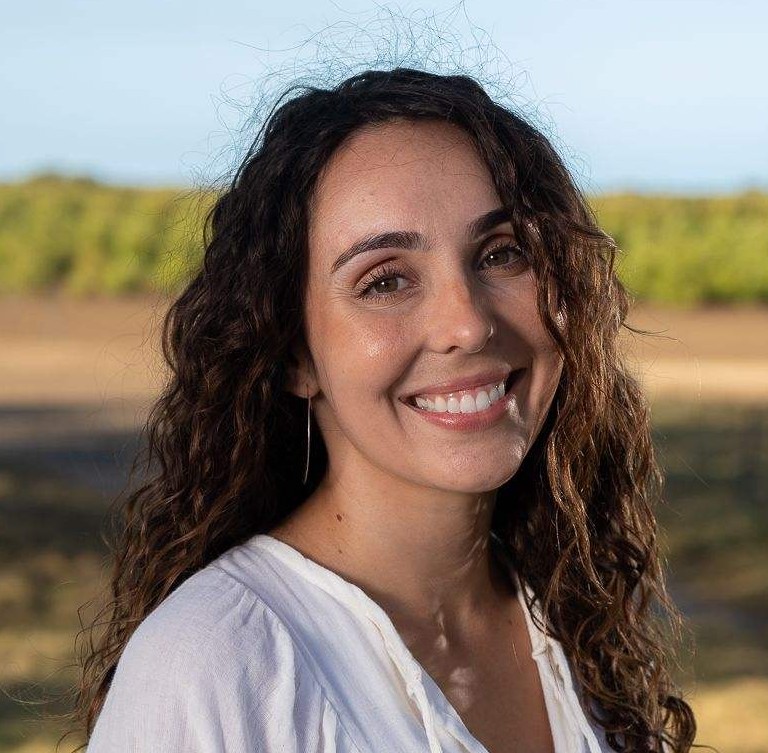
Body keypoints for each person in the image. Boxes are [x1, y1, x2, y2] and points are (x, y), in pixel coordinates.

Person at [72, 68, 696, 752]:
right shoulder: (216, 662)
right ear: (294, 355)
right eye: (386, 279)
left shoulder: (573, 622)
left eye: (502, 252)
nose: (467, 323)